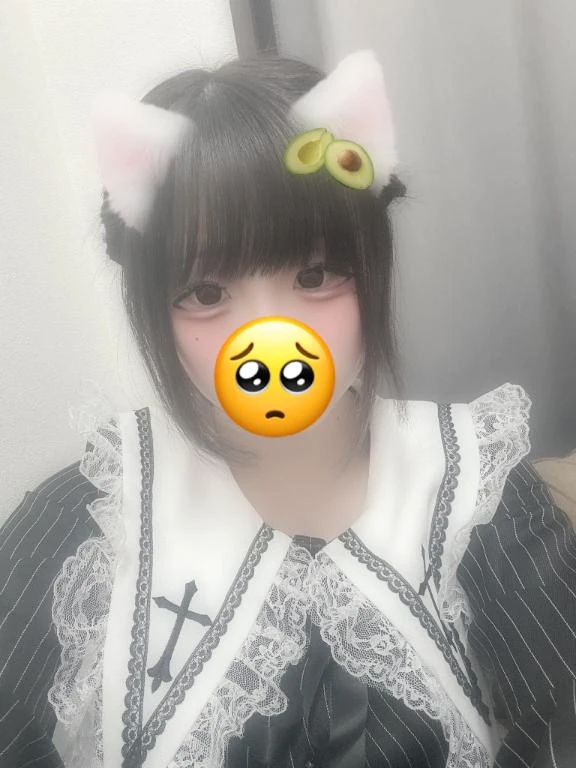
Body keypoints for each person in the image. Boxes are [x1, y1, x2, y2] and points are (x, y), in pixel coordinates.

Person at [1, 49, 575, 768]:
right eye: (206, 293)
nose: (271, 341)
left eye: (315, 274)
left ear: (371, 269)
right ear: (155, 310)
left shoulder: (478, 488)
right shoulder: (83, 522)